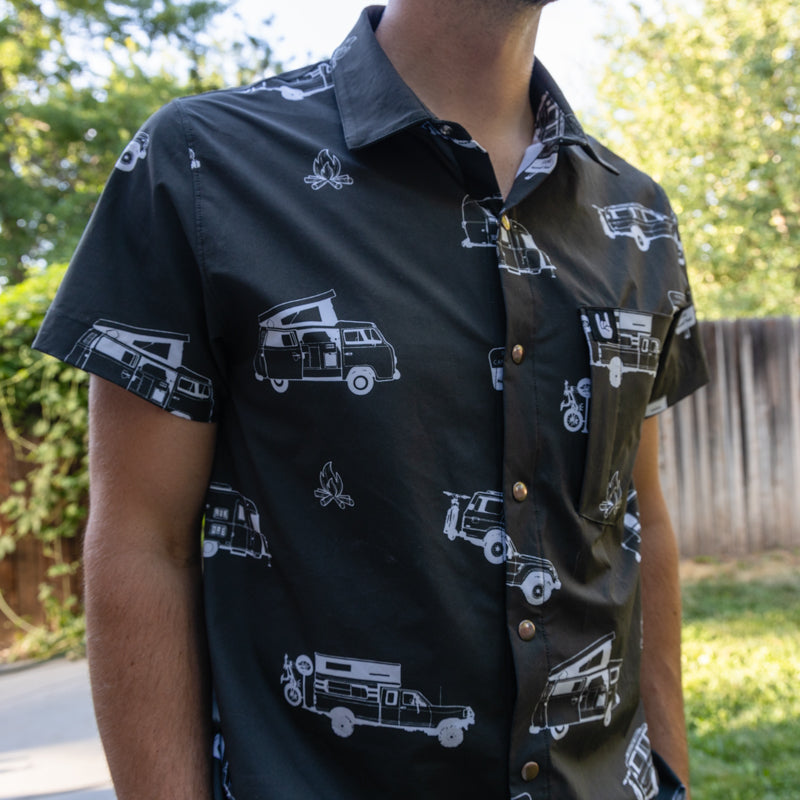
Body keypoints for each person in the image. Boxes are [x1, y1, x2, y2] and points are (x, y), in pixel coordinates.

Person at [34, 1, 709, 798]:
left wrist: (671, 775)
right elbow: (145, 542)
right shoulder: (201, 167)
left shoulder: (635, 218)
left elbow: (640, 518)